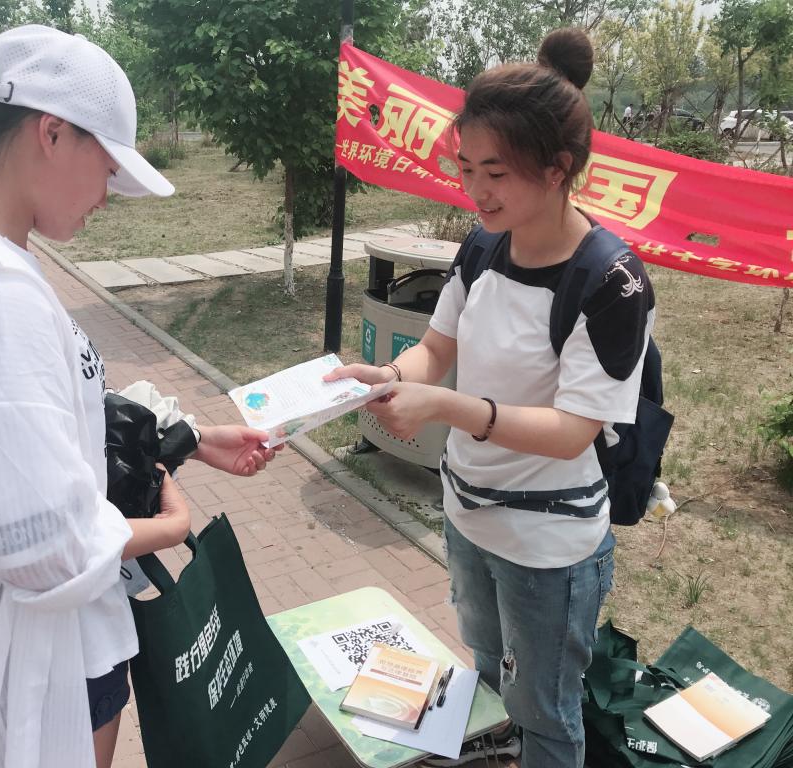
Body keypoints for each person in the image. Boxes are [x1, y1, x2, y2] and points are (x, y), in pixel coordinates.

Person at [0, 25, 279, 768]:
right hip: (44, 671)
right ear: (51, 133)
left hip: (17, 651)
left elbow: (54, 412)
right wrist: (171, 526)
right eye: (108, 168)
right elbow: (42, 546)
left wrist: (191, 436)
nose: (106, 199)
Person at [328, 28, 653, 768]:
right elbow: (436, 348)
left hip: (547, 544)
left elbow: (573, 431)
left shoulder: (611, 282)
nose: (476, 192)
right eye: (467, 168)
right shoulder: (483, 245)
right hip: (467, 512)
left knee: (545, 714)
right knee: (486, 674)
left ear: (557, 169)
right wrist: (394, 376)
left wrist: (445, 408)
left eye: (496, 174)